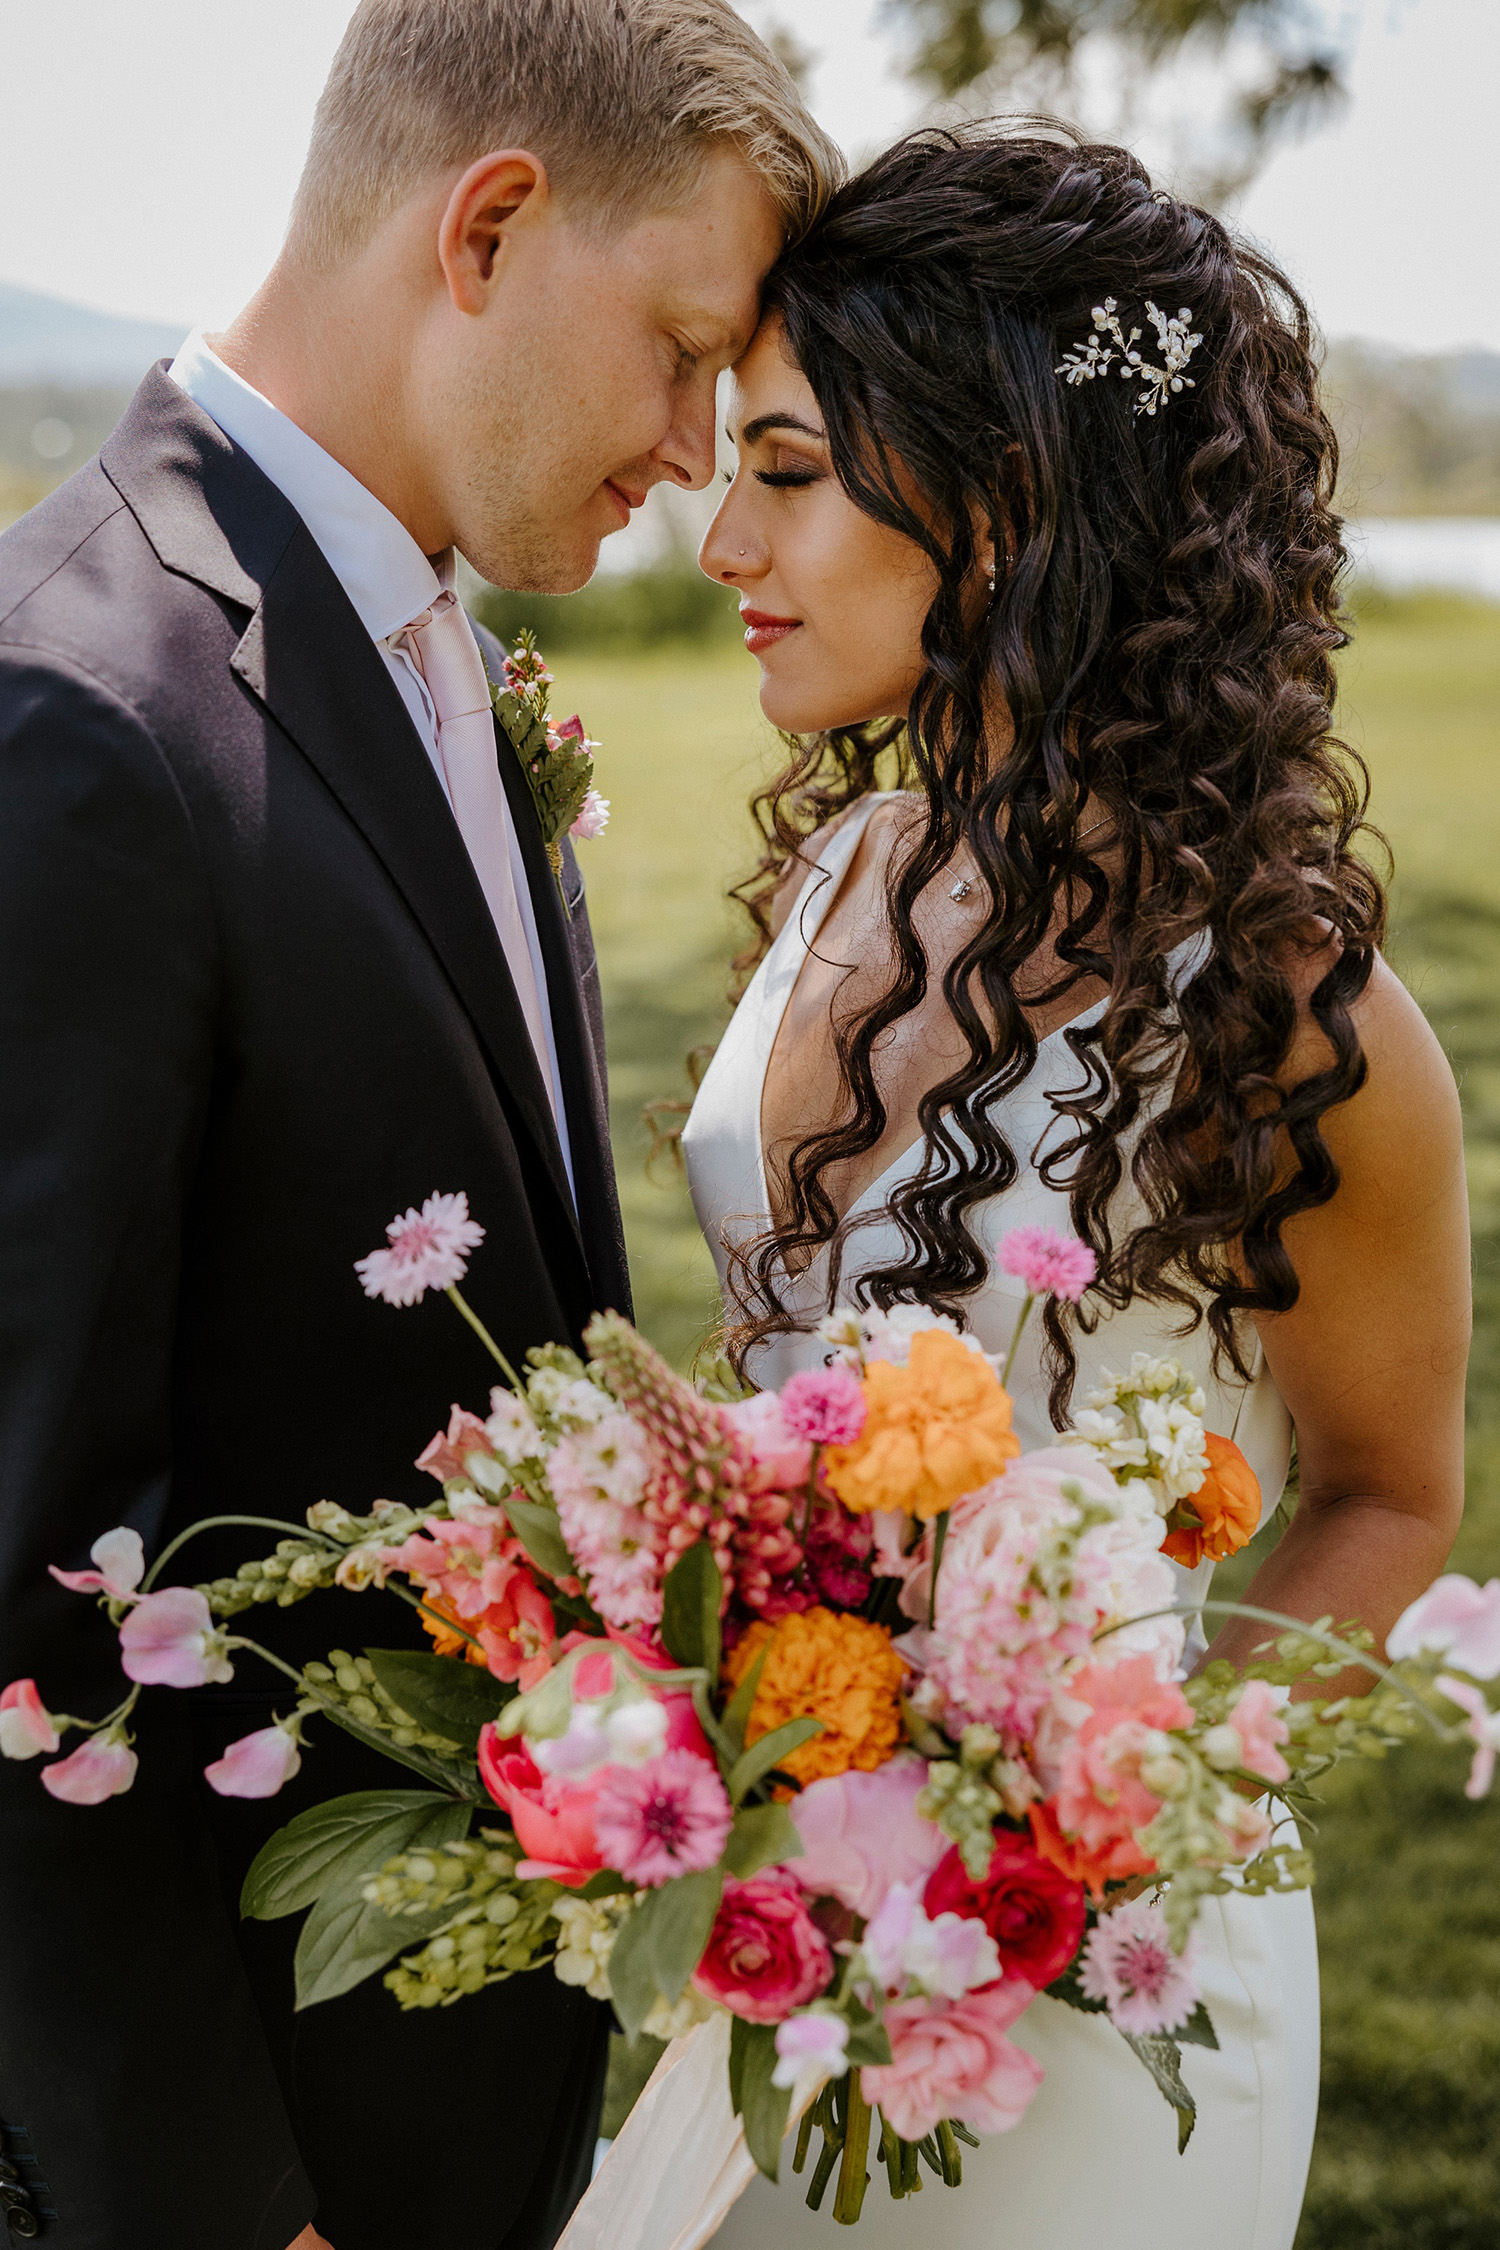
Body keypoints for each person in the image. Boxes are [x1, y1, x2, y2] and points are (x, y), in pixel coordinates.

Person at [0, 5, 839, 2247]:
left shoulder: (432, 637)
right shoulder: (83, 709)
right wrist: (215, 2200)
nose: (694, 448)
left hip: (479, 2083)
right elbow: (29, 1550)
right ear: (487, 226)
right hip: (263, 2151)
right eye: (681, 351)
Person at [686, 124, 1470, 2249]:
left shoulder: (1294, 1017)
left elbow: (1392, 1488)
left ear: (1003, 496)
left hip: (1102, 1988)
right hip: (774, 1913)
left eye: (780, 467)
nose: (715, 535)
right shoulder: (844, 868)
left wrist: (1113, 1814)